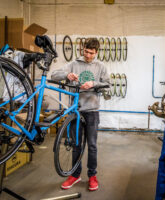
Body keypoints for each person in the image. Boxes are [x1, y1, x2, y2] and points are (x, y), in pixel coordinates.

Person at [51, 38, 110, 191]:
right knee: (76, 144)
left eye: (91, 53)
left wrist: (94, 84)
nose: (88, 55)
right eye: (85, 51)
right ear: (82, 49)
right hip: (75, 111)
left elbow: (107, 84)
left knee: (92, 145)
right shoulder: (74, 63)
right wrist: (68, 75)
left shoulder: (100, 66)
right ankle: (75, 175)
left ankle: (92, 176)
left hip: (92, 111)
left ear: (96, 52)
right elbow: (54, 75)